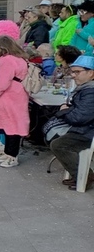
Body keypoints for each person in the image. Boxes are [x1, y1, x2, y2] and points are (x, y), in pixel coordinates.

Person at [49, 56, 94, 190]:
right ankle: (80, 174)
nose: (73, 76)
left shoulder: (90, 92)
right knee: (55, 137)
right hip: (86, 129)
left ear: (91, 73)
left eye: (77, 72)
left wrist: (64, 111)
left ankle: (85, 176)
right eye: (72, 72)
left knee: (58, 145)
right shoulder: (86, 89)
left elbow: (78, 118)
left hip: (88, 132)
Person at [0, 36, 31, 168]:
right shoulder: (20, 59)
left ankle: (12, 156)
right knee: (14, 124)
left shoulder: (6, 61)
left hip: (8, 96)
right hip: (18, 94)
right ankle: (8, 153)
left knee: (11, 127)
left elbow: (1, 82)